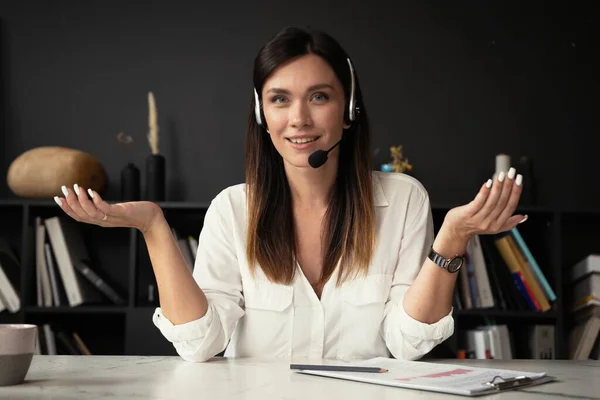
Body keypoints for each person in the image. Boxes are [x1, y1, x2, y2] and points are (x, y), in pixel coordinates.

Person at [53, 26, 525, 362]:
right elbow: (201, 345)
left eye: (319, 97)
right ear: (262, 115)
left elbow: (408, 342)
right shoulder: (232, 209)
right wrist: (154, 227)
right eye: (280, 99)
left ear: (349, 109)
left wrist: (452, 239)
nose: (299, 119)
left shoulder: (403, 199)